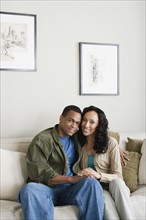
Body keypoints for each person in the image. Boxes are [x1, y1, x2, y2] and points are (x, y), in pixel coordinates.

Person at [18, 105, 104, 220]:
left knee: (92, 183)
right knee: (28, 189)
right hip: (46, 189)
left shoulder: (77, 137)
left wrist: (115, 147)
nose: (74, 126)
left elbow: (99, 133)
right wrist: (71, 179)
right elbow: (40, 173)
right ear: (61, 118)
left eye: (78, 123)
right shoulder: (42, 140)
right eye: (70, 120)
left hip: (70, 190)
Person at [77, 106, 136, 220]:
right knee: (105, 202)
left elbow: (118, 176)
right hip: (98, 189)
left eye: (92, 122)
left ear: (98, 125)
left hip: (115, 187)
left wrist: (98, 175)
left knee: (117, 183)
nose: (86, 125)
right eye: (84, 120)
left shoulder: (110, 143)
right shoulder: (79, 143)